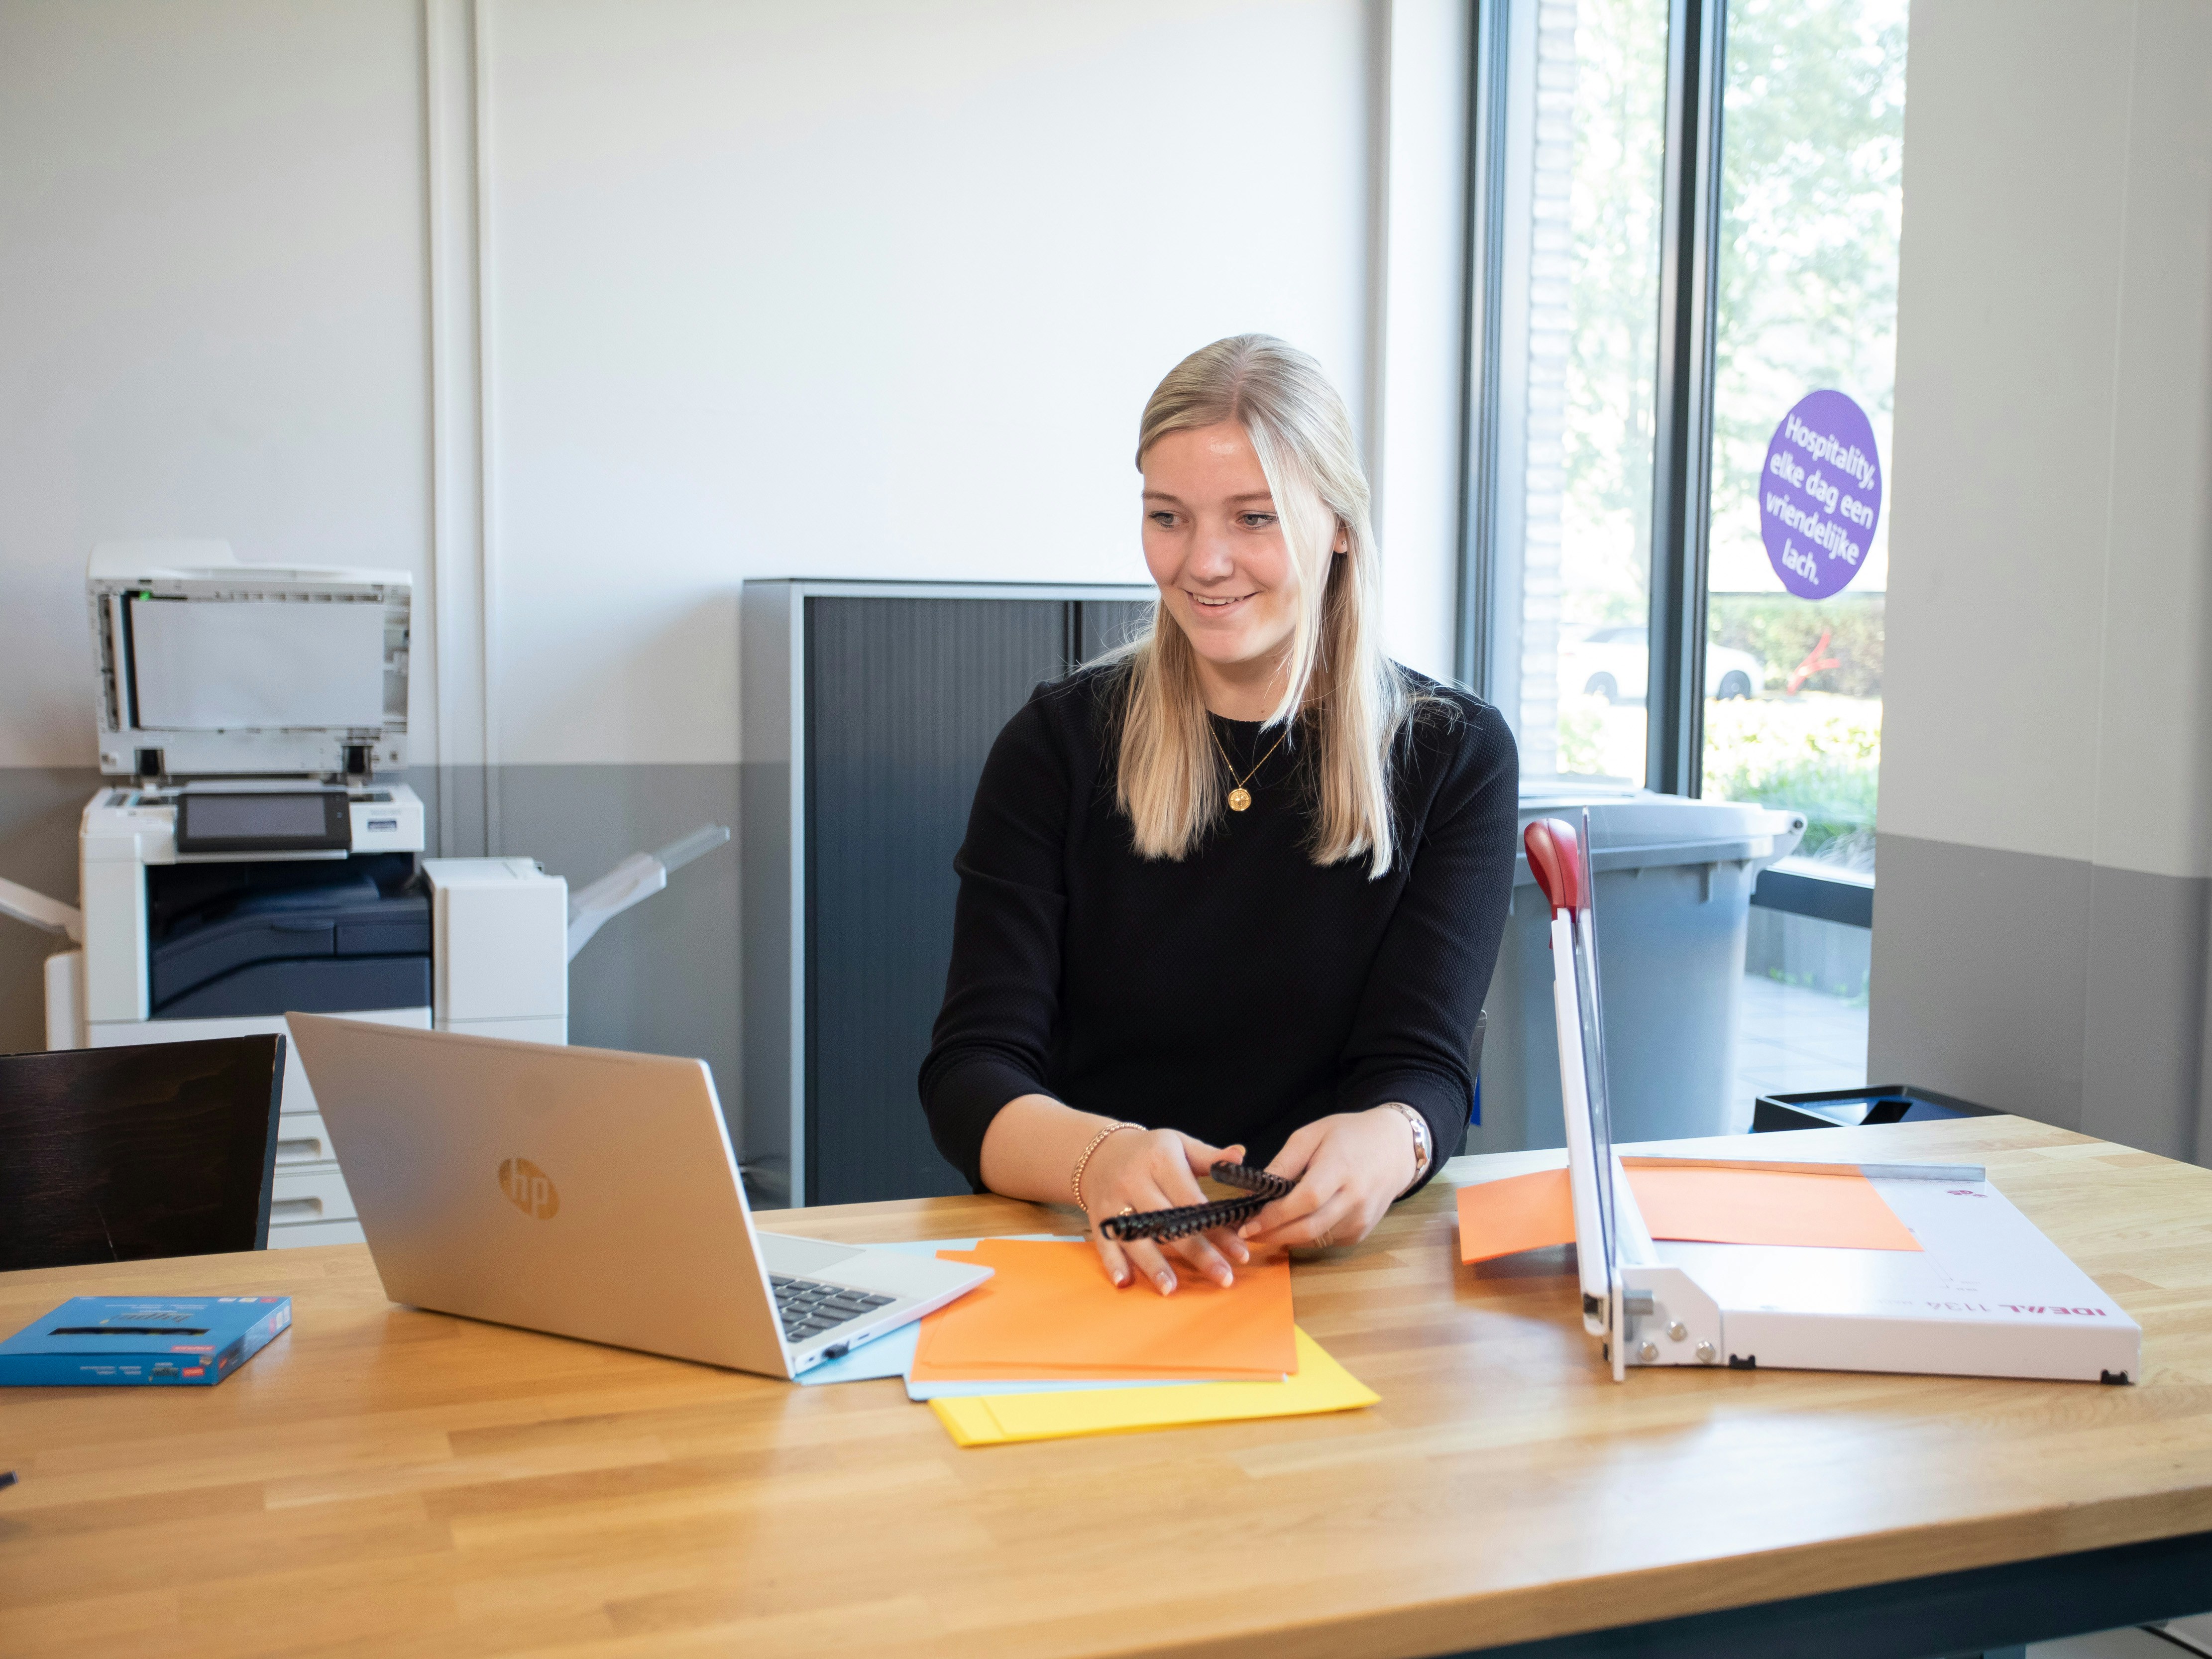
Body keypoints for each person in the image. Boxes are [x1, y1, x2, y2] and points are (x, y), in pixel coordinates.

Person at [919, 334, 1517, 1296]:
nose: (1204, 563)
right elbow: (970, 1075)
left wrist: (1393, 1141)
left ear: (1338, 526)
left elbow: (1424, 1071)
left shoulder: (1454, 755)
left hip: (1335, 1283)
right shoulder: (1056, 745)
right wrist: (1096, 1157)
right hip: (1098, 1268)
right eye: (1168, 517)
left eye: (1254, 517)